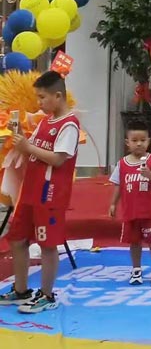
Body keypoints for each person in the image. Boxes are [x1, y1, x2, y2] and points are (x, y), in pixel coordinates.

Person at [0, 71, 81, 313]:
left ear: (58, 96)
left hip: (50, 195)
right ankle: (21, 289)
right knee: (17, 238)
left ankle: (47, 295)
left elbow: (58, 159)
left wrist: (27, 146)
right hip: (30, 191)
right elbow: (32, 149)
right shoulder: (45, 121)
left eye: (42, 97)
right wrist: (19, 138)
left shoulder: (69, 125)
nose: (39, 103)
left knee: (47, 245)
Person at [109, 118, 151, 286]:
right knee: (134, 243)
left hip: (150, 212)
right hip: (130, 212)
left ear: (149, 141)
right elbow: (118, 185)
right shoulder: (122, 164)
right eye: (134, 140)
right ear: (127, 142)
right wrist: (113, 204)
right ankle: (136, 270)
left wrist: (149, 174)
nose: (139, 144)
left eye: (143, 140)